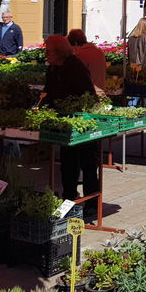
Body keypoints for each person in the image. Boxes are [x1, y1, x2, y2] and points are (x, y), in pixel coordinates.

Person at [42, 35, 99, 218]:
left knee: (88, 164)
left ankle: (91, 204)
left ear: (59, 52)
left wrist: (75, 109)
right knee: (67, 165)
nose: (45, 54)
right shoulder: (52, 69)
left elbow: (89, 96)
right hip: (64, 123)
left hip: (82, 123)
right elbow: (47, 93)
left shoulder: (76, 67)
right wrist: (42, 110)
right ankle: (68, 199)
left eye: (48, 51)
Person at [67, 29, 107, 97]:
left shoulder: (79, 56)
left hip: (88, 96)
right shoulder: (100, 53)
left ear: (76, 44)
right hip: (102, 94)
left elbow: (77, 78)